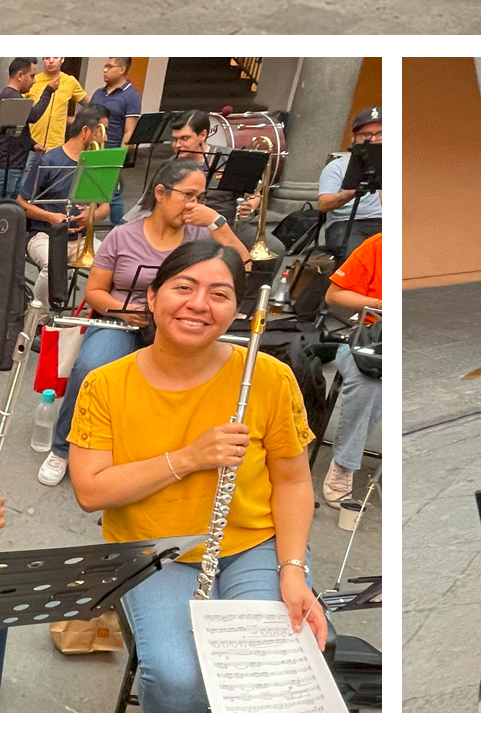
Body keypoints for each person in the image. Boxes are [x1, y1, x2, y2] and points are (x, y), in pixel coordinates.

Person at [66, 242, 326, 712]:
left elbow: (293, 482)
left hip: (254, 544)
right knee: (178, 677)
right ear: (152, 296)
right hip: (154, 549)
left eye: (219, 294)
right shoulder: (105, 384)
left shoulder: (269, 376)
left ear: (237, 310)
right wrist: (188, 458)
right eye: (183, 287)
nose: (199, 304)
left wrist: (293, 570)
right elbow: (90, 491)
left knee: (268, 665)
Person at [37, 158, 249, 488]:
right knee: (91, 366)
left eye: (201, 197)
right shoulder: (123, 235)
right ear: (161, 193)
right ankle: (63, 447)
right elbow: (94, 292)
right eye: (189, 195)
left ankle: (159, 449)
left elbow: (244, 267)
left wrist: (218, 223)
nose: (195, 205)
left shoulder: (201, 237)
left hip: (178, 324)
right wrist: (123, 309)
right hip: (123, 318)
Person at [319, 230, 383, 504]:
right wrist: (380, 303)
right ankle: (344, 465)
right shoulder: (379, 244)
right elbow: (334, 295)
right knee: (369, 383)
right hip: (369, 334)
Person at [18, 104, 104, 272]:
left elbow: (106, 206)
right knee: (52, 268)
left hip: (82, 237)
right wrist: (50, 217)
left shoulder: (98, 164)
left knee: (113, 269)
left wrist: (92, 215)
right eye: (101, 131)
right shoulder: (49, 161)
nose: (104, 139)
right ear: (85, 132)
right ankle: (41, 300)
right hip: (46, 235)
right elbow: (21, 203)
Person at [316, 107, 383, 261]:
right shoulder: (337, 166)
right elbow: (323, 204)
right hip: (346, 224)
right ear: (354, 138)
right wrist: (354, 190)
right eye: (366, 135)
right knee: (358, 259)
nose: (373, 139)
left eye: (380, 133)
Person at [0, 58, 46, 200]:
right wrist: (48, 92)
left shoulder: (9, 95)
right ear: (20, 75)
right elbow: (33, 116)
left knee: (4, 209)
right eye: (32, 76)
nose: (34, 81)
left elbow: (17, 129)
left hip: (12, 165)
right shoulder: (12, 97)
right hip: (6, 166)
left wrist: (33, 145)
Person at [28, 57, 87, 150]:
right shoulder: (33, 80)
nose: (51, 61)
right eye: (47, 58)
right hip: (33, 144)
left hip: (56, 145)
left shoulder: (70, 81)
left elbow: (89, 103)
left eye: (55, 57)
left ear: (62, 59)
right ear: (43, 60)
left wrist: (77, 120)